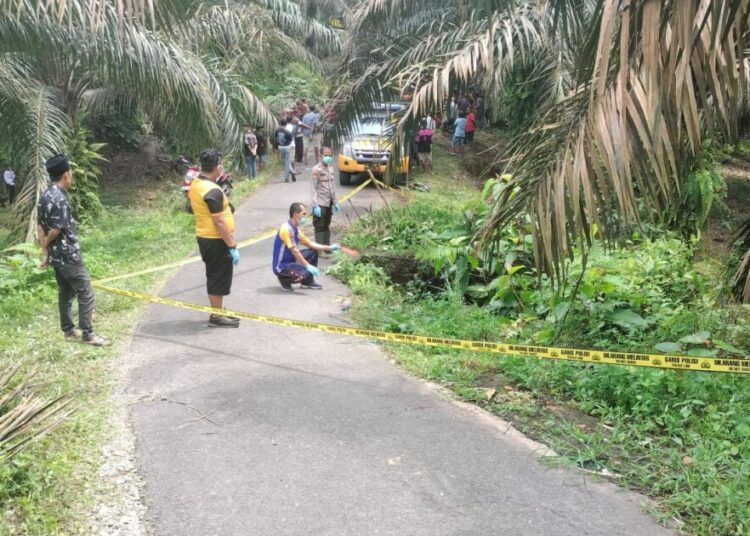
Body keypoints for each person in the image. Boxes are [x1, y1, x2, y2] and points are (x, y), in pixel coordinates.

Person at [37, 154, 110, 346]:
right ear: (66, 175)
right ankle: (88, 334)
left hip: (56, 256)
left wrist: (45, 252)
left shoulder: (45, 196)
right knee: (86, 291)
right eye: (71, 174)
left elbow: (40, 226)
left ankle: (68, 331)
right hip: (67, 254)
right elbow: (55, 230)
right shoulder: (59, 198)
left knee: (65, 291)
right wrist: (46, 244)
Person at [188, 148, 241, 328]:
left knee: (215, 274)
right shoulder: (212, 190)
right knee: (218, 277)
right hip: (215, 240)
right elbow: (219, 221)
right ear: (218, 167)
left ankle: (217, 310)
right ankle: (216, 316)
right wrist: (231, 245)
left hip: (205, 236)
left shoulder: (196, 184)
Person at [272, 202, 339, 291]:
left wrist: (329, 247)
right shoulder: (286, 229)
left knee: (313, 252)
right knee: (304, 272)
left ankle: (307, 282)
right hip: (282, 267)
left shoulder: (296, 230)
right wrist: (307, 265)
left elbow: (311, 244)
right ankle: (283, 279)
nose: (305, 217)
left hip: (291, 261)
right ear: (296, 214)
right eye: (303, 214)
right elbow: (295, 251)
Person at [311, 147, 340, 245]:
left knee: (326, 225)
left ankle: (327, 247)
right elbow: (313, 188)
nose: (328, 157)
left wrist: (335, 202)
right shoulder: (316, 170)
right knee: (319, 226)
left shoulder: (330, 169)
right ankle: (319, 250)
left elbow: (332, 187)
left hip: (329, 202)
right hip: (320, 202)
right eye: (326, 155)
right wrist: (315, 205)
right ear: (320, 156)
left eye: (330, 155)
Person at [274, 118, 296, 183]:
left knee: (285, 162)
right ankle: (287, 177)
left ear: (280, 123)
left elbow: (276, 140)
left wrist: (276, 148)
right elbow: (291, 140)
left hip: (280, 147)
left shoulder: (277, 131)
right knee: (287, 162)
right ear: (286, 124)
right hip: (287, 148)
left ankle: (291, 171)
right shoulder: (288, 132)